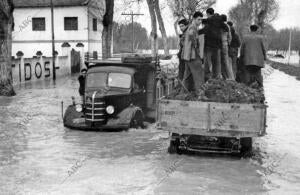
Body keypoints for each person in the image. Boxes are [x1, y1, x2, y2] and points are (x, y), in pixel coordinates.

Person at [181, 11, 205, 94]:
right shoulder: (193, 27)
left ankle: (182, 93)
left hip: (187, 55)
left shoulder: (191, 27)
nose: (200, 22)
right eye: (199, 19)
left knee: (186, 76)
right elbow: (191, 35)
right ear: (194, 19)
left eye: (201, 20)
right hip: (193, 55)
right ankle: (201, 94)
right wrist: (196, 45)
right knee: (199, 74)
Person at [198, 8, 225, 79]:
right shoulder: (219, 20)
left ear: (208, 14)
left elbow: (204, 29)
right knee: (216, 63)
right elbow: (226, 28)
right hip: (218, 45)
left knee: (207, 63)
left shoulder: (209, 21)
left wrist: (197, 32)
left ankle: (208, 78)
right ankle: (217, 78)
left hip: (209, 45)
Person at [220, 14, 235, 80]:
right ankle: (230, 77)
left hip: (219, 45)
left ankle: (222, 77)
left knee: (218, 61)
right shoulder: (228, 26)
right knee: (226, 61)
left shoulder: (218, 26)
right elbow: (230, 37)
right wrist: (228, 43)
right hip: (225, 44)